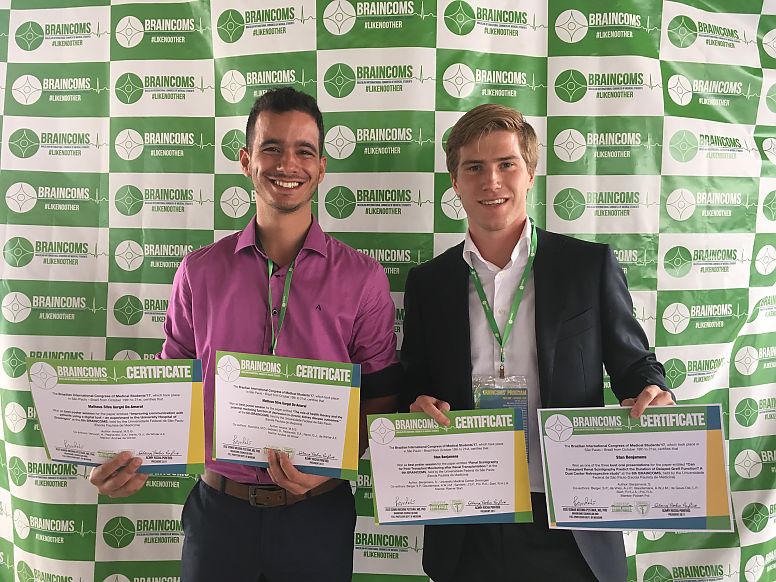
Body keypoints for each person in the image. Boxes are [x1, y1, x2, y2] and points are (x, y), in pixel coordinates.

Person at [89, 87, 400, 581]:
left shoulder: (364, 278)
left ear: (322, 168)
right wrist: (120, 457)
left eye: (304, 151)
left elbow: (382, 397)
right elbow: (170, 393)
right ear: (246, 161)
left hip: (317, 516)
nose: (287, 163)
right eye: (271, 147)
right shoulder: (198, 272)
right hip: (220, 515)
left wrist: (331, 463)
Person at [399, 104, 673, 582]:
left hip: (570, 519)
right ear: (454, 181)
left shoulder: (587, 267)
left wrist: (653, 388)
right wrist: (415, 405)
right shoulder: (429, 282)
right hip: (468, 517)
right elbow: (413, 383)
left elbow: (635, 365)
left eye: (507, 164)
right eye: (474, 168)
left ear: (530, 174)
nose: (492, 181)